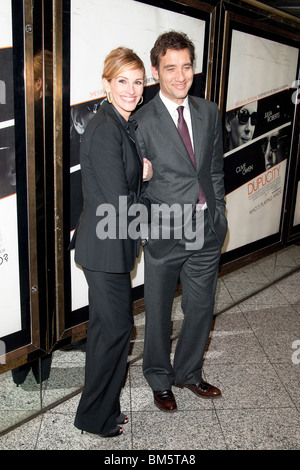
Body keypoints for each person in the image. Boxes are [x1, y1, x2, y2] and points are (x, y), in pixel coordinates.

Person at [135, 31, 227, 412]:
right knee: (157, 312)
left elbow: (215, 169)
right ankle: (159, 377)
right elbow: (133, 187)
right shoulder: (140, 120)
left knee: (202, 308)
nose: (180, 76)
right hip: (164, 232)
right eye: (170, 68)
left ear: (194, 68)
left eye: (186, 66)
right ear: (156, 71)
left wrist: (219, 211)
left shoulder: (209, 112)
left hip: (206, 230)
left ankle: (188, 373)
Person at [73, 47, 152, 438]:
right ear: (106, 84)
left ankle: (100, 410)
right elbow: (120, 204)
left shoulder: (121, 123)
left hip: (112, 246)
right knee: (117, 330)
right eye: (122, 80)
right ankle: (95, 416)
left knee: (107, 331)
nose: (131, 89)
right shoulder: (105, 129)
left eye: (137, 82)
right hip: (105, 249)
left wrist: (142, 172)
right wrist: (147, 178)